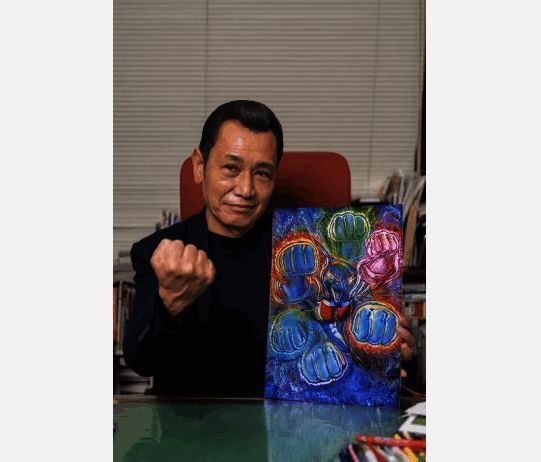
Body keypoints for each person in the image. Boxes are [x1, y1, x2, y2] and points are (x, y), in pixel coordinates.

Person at [123, 100, 414, 397]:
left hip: (285, 419)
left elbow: (343, 335)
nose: (245, 189)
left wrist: (384, 355)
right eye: (231, 168)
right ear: (199, 166)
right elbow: (141, 361)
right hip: (188, 421)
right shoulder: (159, 253)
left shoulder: (305, 250)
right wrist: (170, 303)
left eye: (262, 173)